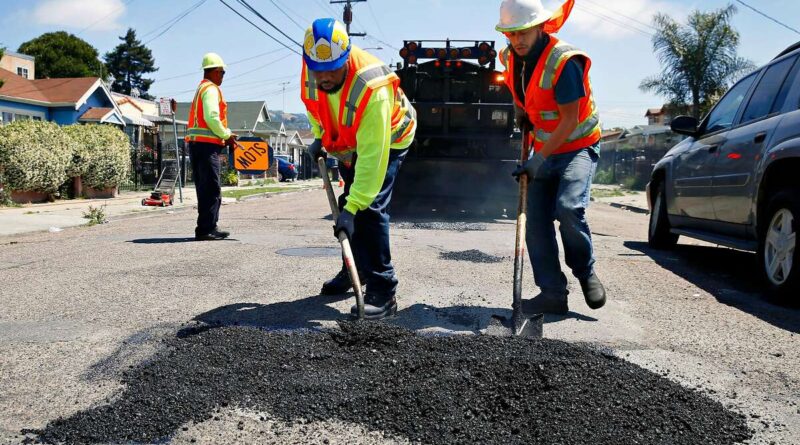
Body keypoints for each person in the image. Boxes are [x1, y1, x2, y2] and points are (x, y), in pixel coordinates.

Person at [301, 18, 417, 319]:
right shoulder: (312, 66)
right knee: (347, 206)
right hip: (350, 141)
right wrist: (318, 136)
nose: (324, 78)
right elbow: (315, 106)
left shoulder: (371, 88)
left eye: (332, 71)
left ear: (346, 58)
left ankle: (384, 290)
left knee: (369, 207)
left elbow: (372, 159)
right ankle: (355, 269)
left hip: (390, 136)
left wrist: (354, 208)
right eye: (319, 72)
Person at [496, 0, 606, 314]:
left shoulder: (564, 62)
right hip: (544, 148)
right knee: (535, 222)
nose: (518, 40)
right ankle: (553, 293)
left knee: (569, 208)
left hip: (577, 145)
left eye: (524, 31)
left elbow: (570, 120)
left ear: (541, 26)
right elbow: (519, 87)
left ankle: (585, 273)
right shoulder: (510, 56)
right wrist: (520, 110)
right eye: (512, 33)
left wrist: (537, 159)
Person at [185, 52, 237, 241]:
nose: (223, 76)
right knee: (212, 188)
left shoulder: (201, 89)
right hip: (206, 147)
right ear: (215, 72)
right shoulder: (211, 89)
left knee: (204, 188)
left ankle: (206, 227)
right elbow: (211, 117)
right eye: (222, 73)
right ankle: (207, 229)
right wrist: (227, 135)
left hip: (197, 146)